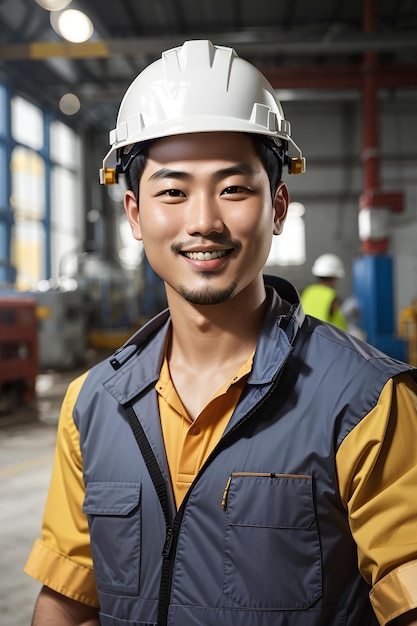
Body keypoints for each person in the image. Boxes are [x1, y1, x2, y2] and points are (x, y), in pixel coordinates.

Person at [24, 40, 417, 626]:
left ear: (278, 206)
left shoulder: (366, 403)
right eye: (172, 191)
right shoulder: (91, 406)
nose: (203, 221)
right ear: (133, 212)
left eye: (234, 188)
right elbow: (70, 603)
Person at [301, 253, 349, 330]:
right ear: (335, 277)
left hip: (306, 338)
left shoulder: (308, 291)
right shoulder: (331, 296)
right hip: (326, 339)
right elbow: (339, 325)